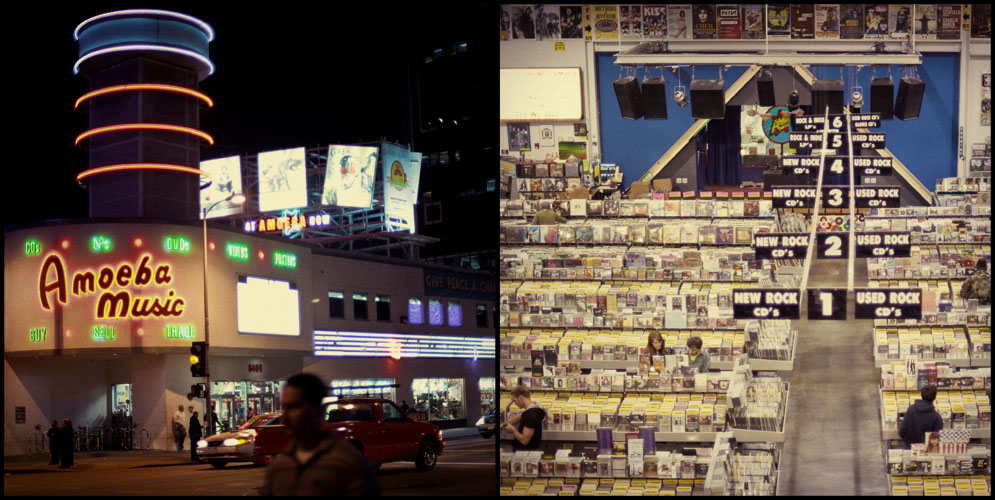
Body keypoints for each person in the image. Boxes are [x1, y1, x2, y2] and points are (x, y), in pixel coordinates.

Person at [261, 374, 380, 496]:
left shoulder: (348, 464)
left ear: (317, 410)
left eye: (294, 407)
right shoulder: (278, 467)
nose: (285, 417)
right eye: (284, 408)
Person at [501, 385, 546, 451]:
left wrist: (513, 430)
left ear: (520, 398)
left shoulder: (531, 415)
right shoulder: (534, 407)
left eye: (514, 401)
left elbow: (524, 440)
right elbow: (519, 417)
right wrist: (503, 424)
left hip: (526, 453)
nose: (515, 404)